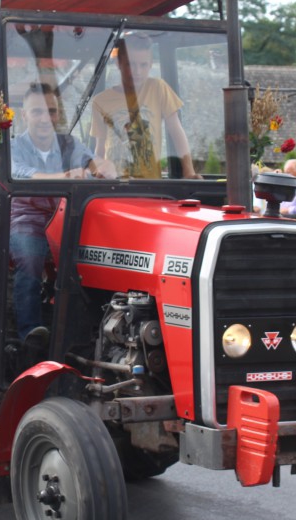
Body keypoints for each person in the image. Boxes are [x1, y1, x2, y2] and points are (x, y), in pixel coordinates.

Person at [10, 82, 115, 341]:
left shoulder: (69, 143)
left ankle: (89, 331)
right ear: (24, 115)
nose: (46, 118)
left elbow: (93, 162)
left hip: (66, 217)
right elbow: (26, 176)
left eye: (52, 111)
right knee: (30, 255)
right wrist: (67, 176)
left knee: (99, 255)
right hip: (27, 218)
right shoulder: (13, 147)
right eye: (37, 112)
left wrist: (103, 167)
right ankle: (30, 333)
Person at [90, 34, 199, 179]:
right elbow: (101, 145)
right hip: (114, 184)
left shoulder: (158, 88)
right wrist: (99, 170)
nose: (138, 72)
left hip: (151, 185)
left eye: (143, 65)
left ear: (151, 63)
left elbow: (177, 132)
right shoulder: (100, 101)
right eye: (130, 64)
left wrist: (189, 173)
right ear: (118, 63)